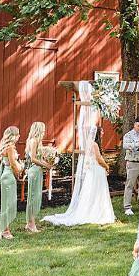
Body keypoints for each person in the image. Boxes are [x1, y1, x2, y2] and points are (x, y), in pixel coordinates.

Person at [43, 82, 115, 227]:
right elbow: (99, 159)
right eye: (100, 132)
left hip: (90, 169)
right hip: (96, 169)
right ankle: (97, 212)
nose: (101, 133)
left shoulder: (87, 144)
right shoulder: (94, 145)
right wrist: (107, 166)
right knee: (98, 192)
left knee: (91, 191)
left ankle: (91, 209)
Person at [0, 126, 23, 240]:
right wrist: (20, 169)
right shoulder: (10, 148)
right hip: (9, 176)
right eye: (18, 134)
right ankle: (5, 230)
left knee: (7, 203)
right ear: (13, 136)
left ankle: (5, 228)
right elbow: (13, 164)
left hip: (7, 175)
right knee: (8, 204)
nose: (19, 136)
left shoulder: (7, 147)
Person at [25, 121, 50, 232]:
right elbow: (33, 159)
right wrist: (45, 165)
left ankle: (30, 222)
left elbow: (39, 157)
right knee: (33, 197)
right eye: (43, 130)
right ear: (38, 130)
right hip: (34, 171)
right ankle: (31, 224)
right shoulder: (34, 141)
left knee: (35, 196)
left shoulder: (37, 141)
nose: (44, 132)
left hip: (38, 170)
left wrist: (48, 162)